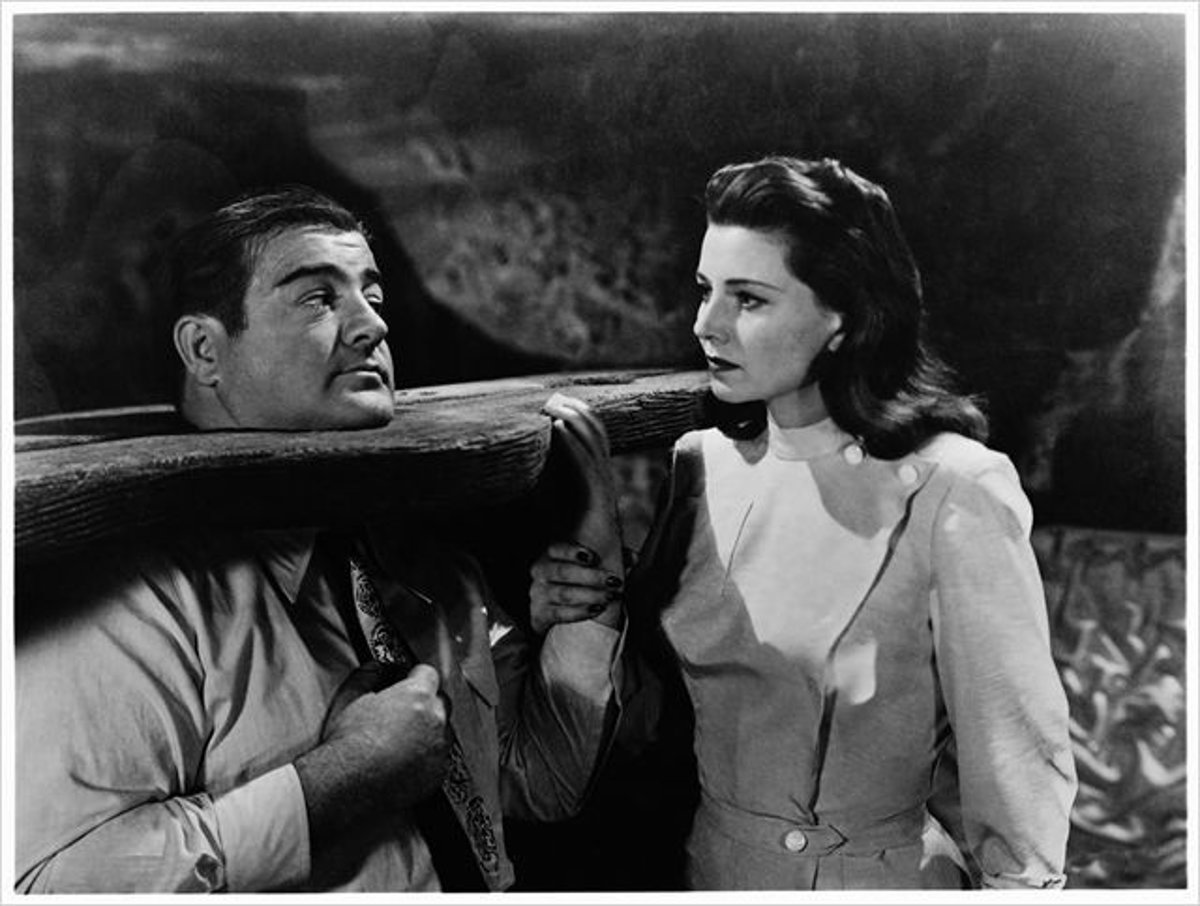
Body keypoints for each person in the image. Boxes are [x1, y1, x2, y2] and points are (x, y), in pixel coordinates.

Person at [14, 185, 625, 893]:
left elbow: (538, 781)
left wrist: (592, 578)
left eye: (373, 295)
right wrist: (339, 780)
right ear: (205, 350)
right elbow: (50, 885)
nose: (372, 326)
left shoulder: (424, 560)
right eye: (318, 298)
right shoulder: (125, 605)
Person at [530, 156, 1078, 890]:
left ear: (842, 318)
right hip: (708, 871)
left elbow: (1018, 759)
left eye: (749, 300)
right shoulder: (701, 464)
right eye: (705, 290)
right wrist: (587, 601)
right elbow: (654, 713)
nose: (706, 325)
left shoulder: (954, 488)